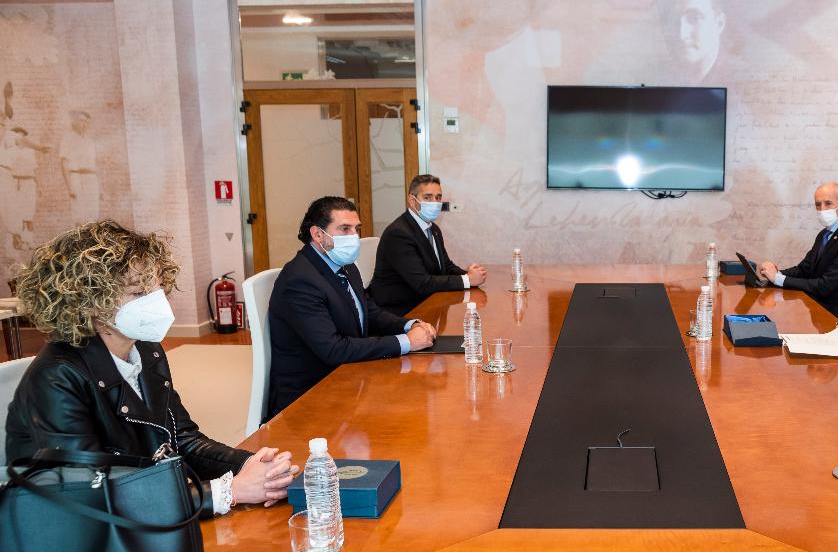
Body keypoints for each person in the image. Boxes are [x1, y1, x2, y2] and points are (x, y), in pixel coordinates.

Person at [5, 220, 299, 515]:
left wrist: (248, 466)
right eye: (138, 293)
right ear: (90, 302)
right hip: (70, 534)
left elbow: (182, 438)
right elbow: (87, 495)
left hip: (144, 509)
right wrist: (227, 492)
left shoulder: (145, 349)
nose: (157, 303)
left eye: (156, 289)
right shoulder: (56, 378)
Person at [267, 196, 436, 419]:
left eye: (356, 229)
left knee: (417, 398)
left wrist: (409, 324)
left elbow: (369, 311)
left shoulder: (345, 267)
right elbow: (333, 349)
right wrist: (407, 342)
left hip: (348, 378)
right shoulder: (299, 280)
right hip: (310, 399)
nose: (353, 237)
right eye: (344, 229)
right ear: (318, 234)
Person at [368, 174, 486, 316]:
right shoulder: (398, 234)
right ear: (412, 200)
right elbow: (422, 283)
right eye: (428, 197)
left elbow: (446, 266)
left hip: (427, 302)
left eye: (438, 197)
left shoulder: (433, 229)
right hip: (399, 312)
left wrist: (469, 274)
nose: (435, 202)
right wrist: (467, 280)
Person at [757, 181, 838, 318]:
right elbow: (804, 269)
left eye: (828, 203)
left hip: (834, 317)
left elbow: (825, 286)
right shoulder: (825, 234)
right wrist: (775, 273)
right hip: (816, 307)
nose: (822, 209)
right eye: (818, 205)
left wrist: (779, 279)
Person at [657, 0, 726, 83]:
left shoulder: (744, 84)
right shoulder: (655, 77)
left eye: (694, 18)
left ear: (719, 24)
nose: (681, 34)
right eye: (671, 20)